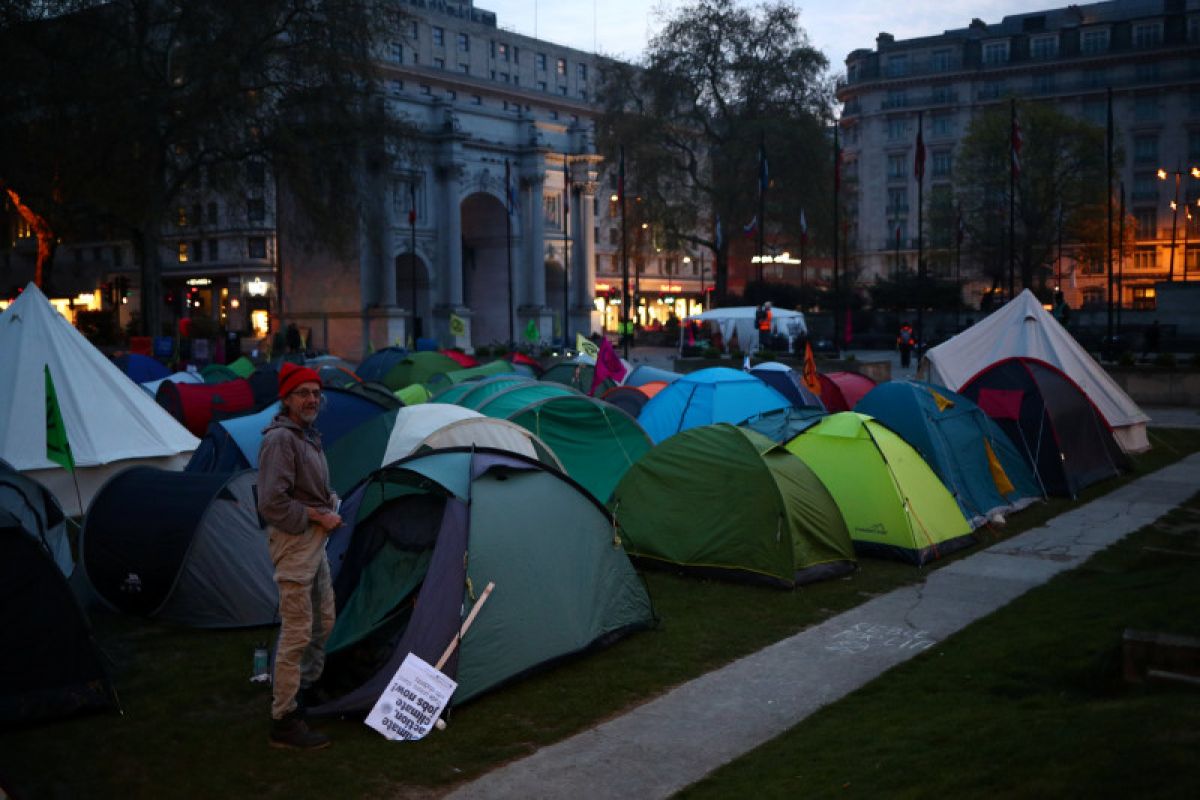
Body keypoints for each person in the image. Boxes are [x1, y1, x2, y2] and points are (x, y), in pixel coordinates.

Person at [257, 362, 342, 750]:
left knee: (323, 618)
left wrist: (327, 506)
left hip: (314, 539)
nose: (311, 399)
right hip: (294, 543)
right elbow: (271, 503)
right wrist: (317, 515)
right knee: (297, 630)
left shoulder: (307, 435)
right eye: (302, 393)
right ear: (287, 398)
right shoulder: (280, 440)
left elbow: (308, 489)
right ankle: (284, 719)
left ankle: (303, 690)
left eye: (314, 392)